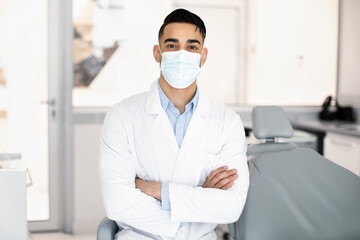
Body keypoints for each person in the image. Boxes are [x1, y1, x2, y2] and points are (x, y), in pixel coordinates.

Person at [99, 8, 249, 240]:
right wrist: (199, 202)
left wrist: (156, 189)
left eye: (191, 47)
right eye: (172, 46)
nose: (182, 54)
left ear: (203, 55)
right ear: (157, 53)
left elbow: (232, 206)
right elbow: (118, 203)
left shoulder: (227, 122)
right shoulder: (122, 116)